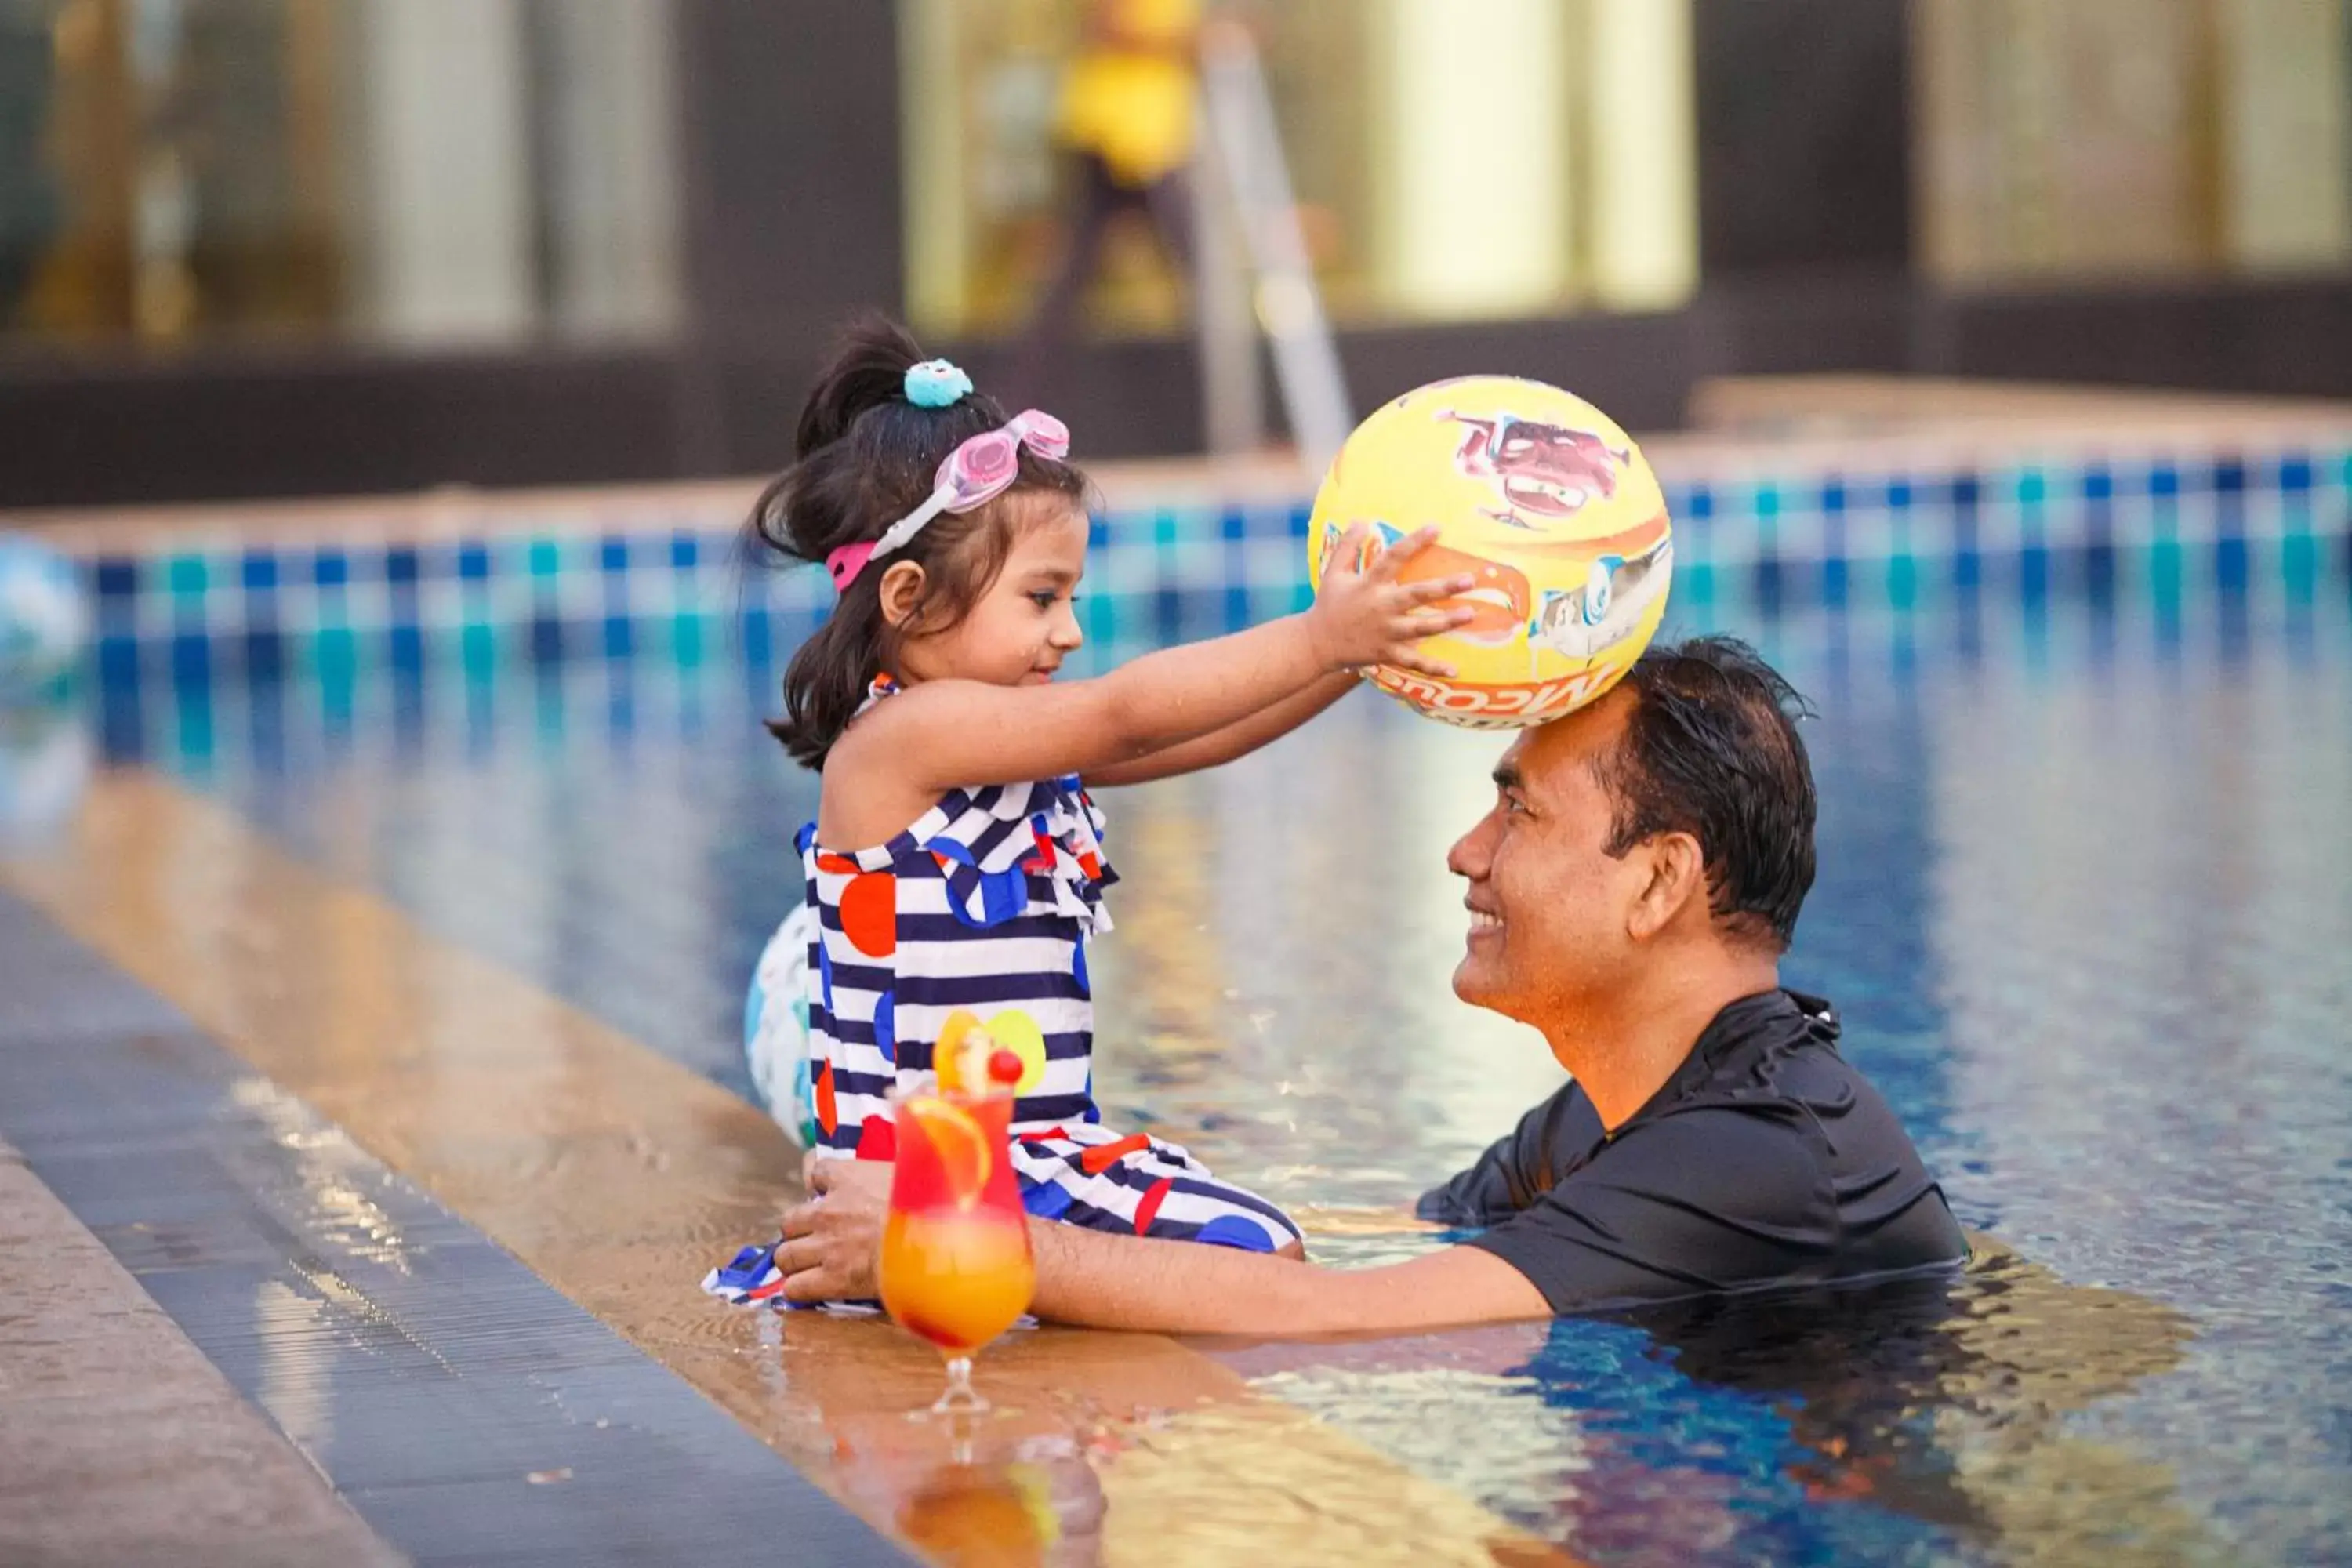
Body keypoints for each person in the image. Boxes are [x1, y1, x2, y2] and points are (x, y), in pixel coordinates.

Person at [775, 637, 1969, 1325]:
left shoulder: (1760, 1153)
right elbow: (1383, 1243)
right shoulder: (1615, 1119)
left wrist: (956, 1243)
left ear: (1658, 882)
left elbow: (1349, 1324)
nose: (1465, 851)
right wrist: (1083, 1191)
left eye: (1518, 807)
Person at [707, 315, 1480, 1305]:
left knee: (1259, 1251)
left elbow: (1188, 737)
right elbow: (1125, 716)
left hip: (1028, 1148)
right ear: (907, 595)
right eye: (1041, 597)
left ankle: (1022, 1280)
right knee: (1258, 1259)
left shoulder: (1002, 739)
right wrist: (1321, 633)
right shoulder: (905, 741)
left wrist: (1358, 657)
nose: (1069, 631)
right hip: (928, 1166)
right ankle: (953, 1263)